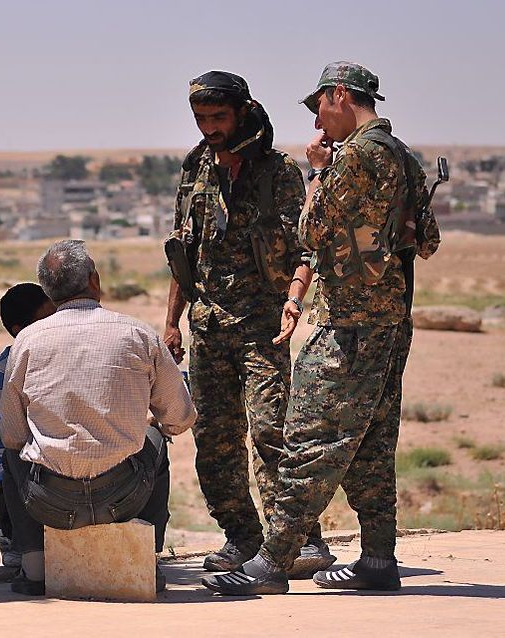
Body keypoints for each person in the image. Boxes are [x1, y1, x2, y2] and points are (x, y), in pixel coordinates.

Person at [203, 61, 438, 596]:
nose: (317, 127)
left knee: (310, 438)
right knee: (372, 443)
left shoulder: (352, 157)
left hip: (347, 325)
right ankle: (378, 559)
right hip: (390, 322)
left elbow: (309, 228)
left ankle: (270, 564)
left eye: (319, 110)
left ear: (339, 95)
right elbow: (426, 241)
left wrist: (318, 174)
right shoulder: (404, 156)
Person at [163, 70, 332, 576]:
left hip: (262, 325)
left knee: (271, 432)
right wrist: (171, 325)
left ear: (241, 112)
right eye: (201, 119)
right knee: (213, 438)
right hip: (208, 328)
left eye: (218, 117)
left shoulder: (277, 172)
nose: (209, 127)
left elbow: (307, 245)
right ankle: (241, 537)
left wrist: (294, 299)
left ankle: (301, 541)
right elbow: (181, 253)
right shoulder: (196, 167)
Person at [0, 239, 197, 595]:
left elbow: (12, 435)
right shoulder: (137, 334)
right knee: (155, 440)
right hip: (124, 497)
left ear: (49, 290)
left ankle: (33, 568)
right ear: (95, 281)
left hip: (51, 501)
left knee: (10, 454)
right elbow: (180, 419)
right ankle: (146, 562)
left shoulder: (25, 342)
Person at [0, 283, 55, 568]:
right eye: (45, 320)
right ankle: (15, 536)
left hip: (50, 458)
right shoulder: (0, 372)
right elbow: (15, 434)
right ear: (17, 330)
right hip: (14, 471)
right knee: (16, 457)